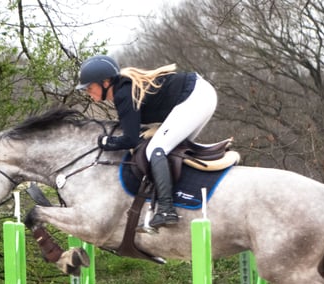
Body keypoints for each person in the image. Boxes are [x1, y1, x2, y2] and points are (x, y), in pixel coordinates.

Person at [76, 55, 218, 229]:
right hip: (201, 93)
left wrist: (106, 141)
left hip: (196, 97)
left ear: (105, 82)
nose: (88, 93)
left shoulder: (123, 94)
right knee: (172, 150)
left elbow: (131, 139)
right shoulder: (124, 88)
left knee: (156, 150)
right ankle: (184, 198)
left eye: (90, 88)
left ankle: (166, 210)